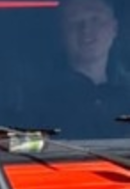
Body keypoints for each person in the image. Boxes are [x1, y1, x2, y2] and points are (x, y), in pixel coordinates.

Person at [47, 0, 130, 136]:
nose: (86, 29)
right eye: (75, 22)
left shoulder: (127, 94)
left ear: (114, 28)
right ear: (62, 33)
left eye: (95, 19)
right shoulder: (41, 104)